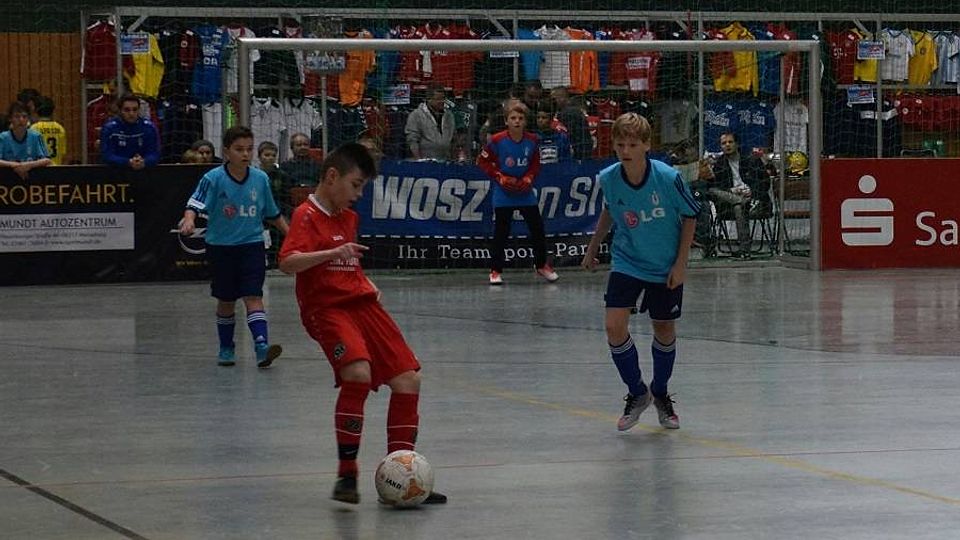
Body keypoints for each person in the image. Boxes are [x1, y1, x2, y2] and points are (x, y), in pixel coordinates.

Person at [277, 142, 447, 506]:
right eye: (355, 185)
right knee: (357, 374)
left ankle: (402, 474)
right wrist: (332, 253)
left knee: (408, 379)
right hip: (327, 308)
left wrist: (364, 280)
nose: (359, 194)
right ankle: (347, 475)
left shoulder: (348, 217)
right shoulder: (306, 214)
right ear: (332, 176)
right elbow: (288, 262)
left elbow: (346, 262)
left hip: (362, 304)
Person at [581, 113, 701, 432]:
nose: (626, 151)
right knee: (613, 326)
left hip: (664, 263)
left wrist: (681, 264)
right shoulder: (609, 178)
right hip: (628, 260)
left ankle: (660, 392)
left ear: (647, 145)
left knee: (664, 328)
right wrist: (593, 247)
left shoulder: (667, 177)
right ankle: (637, 392)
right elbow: (610, 209)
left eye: (633, 145)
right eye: (620, 144)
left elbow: (691, 215)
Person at [179, 125, 289, 368]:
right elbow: (194, 204)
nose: (245, 154)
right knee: (226, 300)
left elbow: (272, 213)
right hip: (221, 247)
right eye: (239, 149)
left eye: (249, 149)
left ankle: (262, 346)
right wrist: (189, 220)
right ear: (227, 151)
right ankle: (226, 347)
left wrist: (292, 236)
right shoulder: (213, 178)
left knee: (253, 295)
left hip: (252, 245)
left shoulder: (260, 179)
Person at [476, 100, 558, 285]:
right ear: (506, 121)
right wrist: (500, 177)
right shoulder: (496, 140)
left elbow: (535, 163)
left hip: (524, 190)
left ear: (525, 121)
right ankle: (495, 270)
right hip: (504, 191)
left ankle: (541, 265)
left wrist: (529, 177)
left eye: (520, 118)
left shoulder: (533, 140)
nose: (517, 121)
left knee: (537, 228)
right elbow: (482, 161)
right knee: (501, 231)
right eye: (513, 118)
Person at [698, 131, 772, 258]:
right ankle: (745, 250)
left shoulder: (751, 159)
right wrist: (731, 190)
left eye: (730, 142)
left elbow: (765, 182)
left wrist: (752, 192)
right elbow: (716, 186)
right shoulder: (720, 163)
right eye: (724, 143)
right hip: (730, 203)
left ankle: (744, 249)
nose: (727, 145)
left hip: (754, 202)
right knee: (712, 191)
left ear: (737, 144)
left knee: (738, 207)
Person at [99, 94, 160, 170]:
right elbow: (107, 155)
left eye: (135, 109)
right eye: (127, 110)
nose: (131, 113)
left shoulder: (149, 127)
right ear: (120, 110)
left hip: (143, 171)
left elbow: (154, 154)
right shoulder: (110, 128)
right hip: (116, 172)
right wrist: (128, 162)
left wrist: (144, 162)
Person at [0, 102, 51, 178]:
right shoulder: (3, 137)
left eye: (24, 116)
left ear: (28, 119)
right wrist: (14, 165)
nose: (21, 120)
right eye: (17, 116)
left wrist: (27, 165)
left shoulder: (36, 136)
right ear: (10, 119)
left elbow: (46, 160)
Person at [404, 84, 455, 160]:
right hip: (425, 161)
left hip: (446, 161)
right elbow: (412, 140)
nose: (442, 101)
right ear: (428, 99)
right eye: (438, 99)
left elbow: (453, 138)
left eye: (443, 98)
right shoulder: (416, 115)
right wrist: (419, 160)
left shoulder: (449, 115)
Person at [551, 86, 592, 160]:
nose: (552, 102)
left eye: (554, 99)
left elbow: (573, 135)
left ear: (562, 97)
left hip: (576, 154)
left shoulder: (568, 113)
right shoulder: (573, 110)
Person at [31, 97, 67, 165]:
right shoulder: (60, 128)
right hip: (56, 168)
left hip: (40, 169)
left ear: (36, 111)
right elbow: (63, 154)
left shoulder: (33, 128)